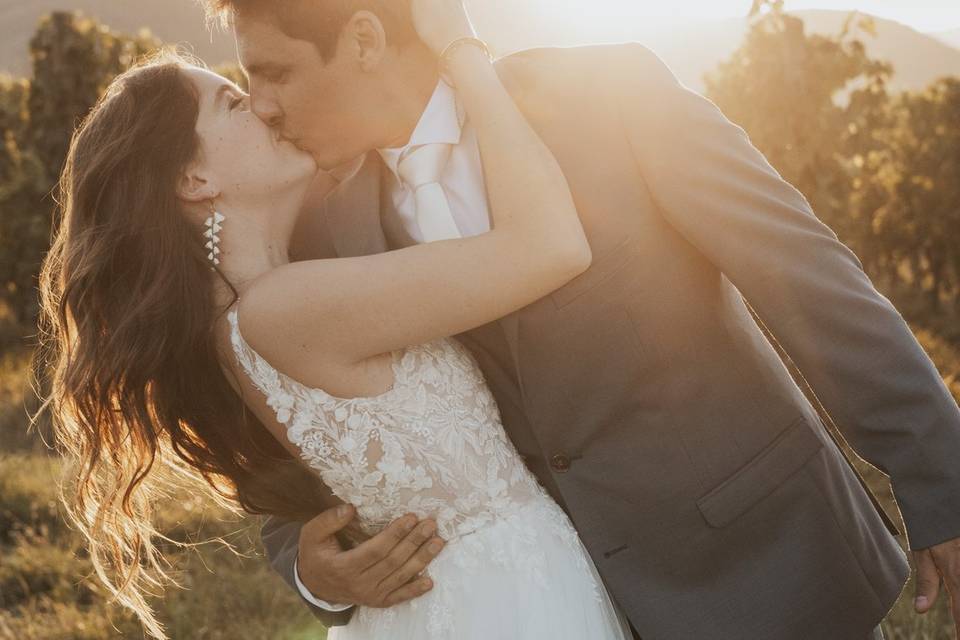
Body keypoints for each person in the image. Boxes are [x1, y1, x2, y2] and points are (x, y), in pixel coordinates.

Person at [201, 0, 960, 639]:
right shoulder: (323, 232)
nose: (262, 102)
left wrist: (940, 479)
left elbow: (810, 280)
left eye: (275, 71)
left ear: (363, 40)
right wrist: (310, 568)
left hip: (768, 566)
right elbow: (293, 435)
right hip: (560, 608)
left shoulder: (608, 94)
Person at [36, 1, 644, 638]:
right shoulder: (281, 309)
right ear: (194, 177)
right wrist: (464, 54)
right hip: (505, 601)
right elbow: (549, 245)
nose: (265, 107)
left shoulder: (263, 303)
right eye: (234, 104)